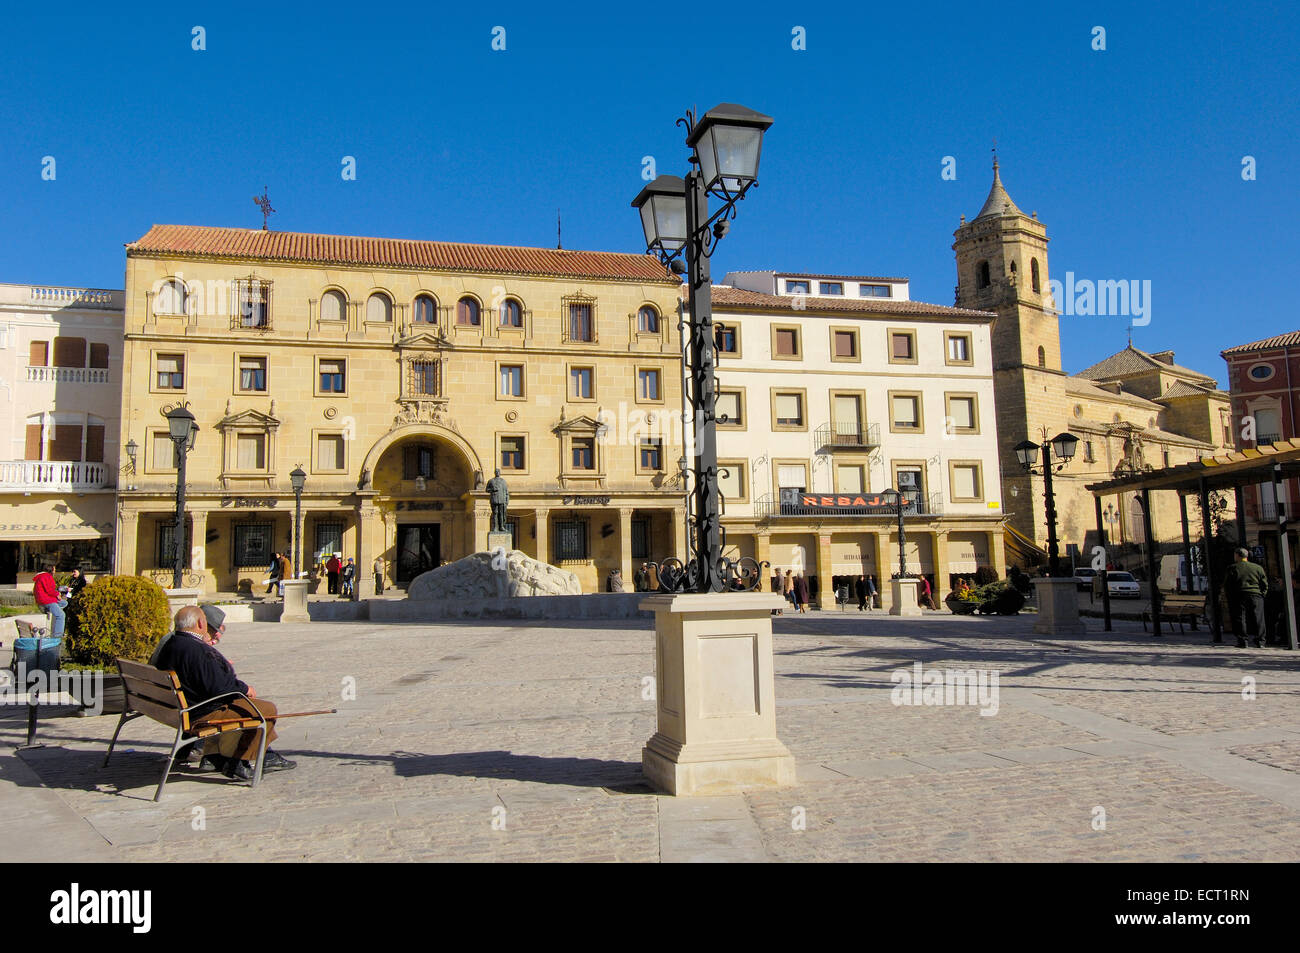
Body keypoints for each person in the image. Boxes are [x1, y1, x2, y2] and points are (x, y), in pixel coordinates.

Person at [154, 605, 296, 780]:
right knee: (266, 710)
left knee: (247, 707)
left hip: (179, 709)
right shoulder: (196, 650)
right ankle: (237, 760)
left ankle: (216, 756)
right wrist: (245, 689)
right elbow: (220, 689)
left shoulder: (172, 644)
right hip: (199, 713)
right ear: (200, 623)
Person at [1223, 547, 1268, 648]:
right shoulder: (1257, 568)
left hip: (1239, 595)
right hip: (1256, 595)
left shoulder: (1233, 568)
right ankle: (1261, 641)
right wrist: (1262, 594)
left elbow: (1228, 584)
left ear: (1237, 555)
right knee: (1258, 618)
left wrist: (1229, 597)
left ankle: (1243, 641)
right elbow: (1264, 583)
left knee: (1240, 617)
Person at [32, 564, 67, 640]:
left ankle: (50, 610)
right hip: (47, 601)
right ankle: (57, 636)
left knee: (64, 603)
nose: (55, 571)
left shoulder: (40, 577)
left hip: (42, 600)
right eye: (54, 569)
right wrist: (57, 594)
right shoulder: (47, 576)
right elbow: (50, 590)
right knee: (61, 615)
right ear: (50, 570)